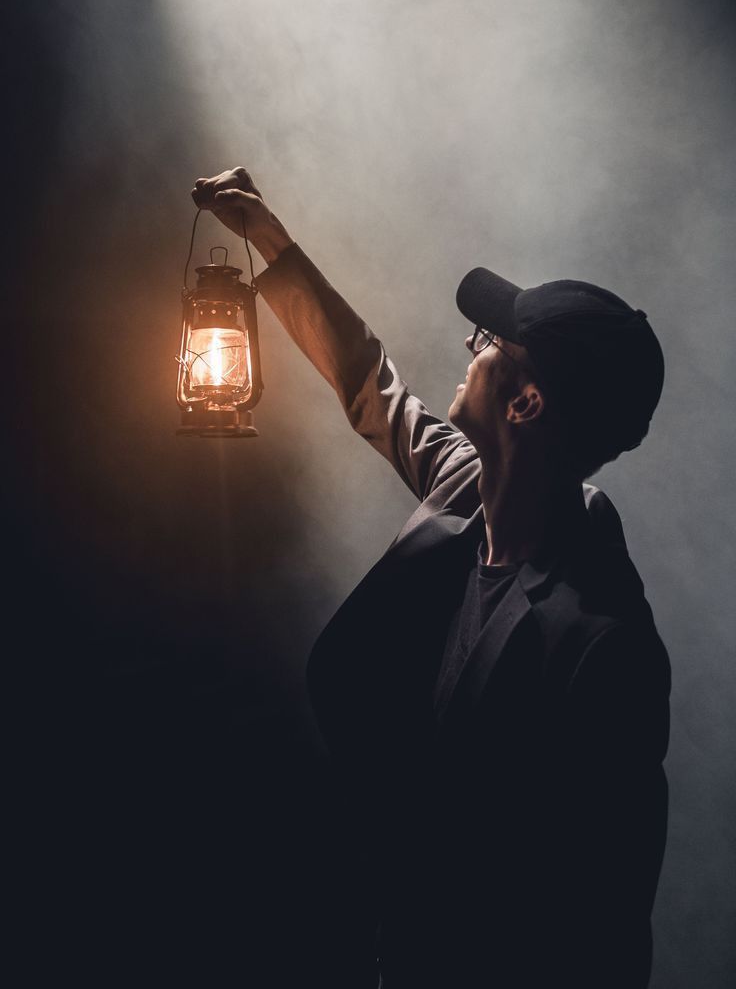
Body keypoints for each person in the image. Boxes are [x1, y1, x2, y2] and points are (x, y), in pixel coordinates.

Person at [192, 167, 671, 989]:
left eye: (488, 345)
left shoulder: (606, 648)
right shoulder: (466, 486)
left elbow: (607, 925)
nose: (470, 350)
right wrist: (269, 239)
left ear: (525, 404)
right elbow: (369, 383)